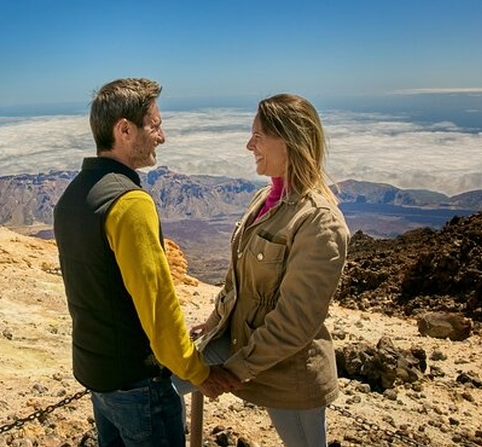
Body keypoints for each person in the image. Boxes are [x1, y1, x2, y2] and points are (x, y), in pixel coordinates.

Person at [54, 77, 241, 447]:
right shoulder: (129, 203)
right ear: (124, 130)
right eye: (154, 126)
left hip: (98, 376)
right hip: (140, 386)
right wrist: (196, 371)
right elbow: (157, 305)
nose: (162, 137)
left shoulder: (72, 196)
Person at [181, 93, 349, 447]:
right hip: (237, 343)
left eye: (258, 136)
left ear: (289, 141)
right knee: (163, 383)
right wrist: (214, 321)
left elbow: (294, 322)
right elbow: (238, 280)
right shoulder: (264, 200)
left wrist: (233, 371)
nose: (249, 145)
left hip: (289, 373)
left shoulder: (318, 221)